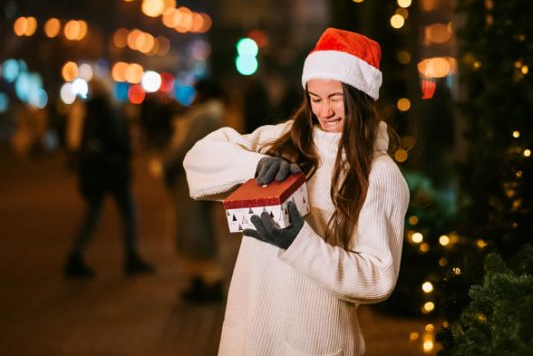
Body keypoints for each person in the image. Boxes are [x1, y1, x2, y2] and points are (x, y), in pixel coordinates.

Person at [183, 28, 410, 356]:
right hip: (250, 333)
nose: (325, 111)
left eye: (335, 98)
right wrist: (257, 165)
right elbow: (198, 162)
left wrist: (298, 243)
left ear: (361, 96)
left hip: (315, 342)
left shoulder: (379, 174)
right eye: (315, 99)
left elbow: (377, 278)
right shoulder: (287, 140)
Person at [64, 77, 155, 278]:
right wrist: (126, 151)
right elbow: (116, 140)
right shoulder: (109, 110)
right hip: (113, 171)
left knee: (94, 216)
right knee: (128, 214)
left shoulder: (90, 110)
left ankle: (75, 256)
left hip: (99, 171)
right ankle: (131, 255)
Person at [161, 78, 227, 303]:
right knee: (195, 229)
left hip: (191, 182)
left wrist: (164, 164)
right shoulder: (210, 116)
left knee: (196, 231)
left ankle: (209, 281)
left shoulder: (204, 117)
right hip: (196, 180)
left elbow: (183, 149)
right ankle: (200, 279)